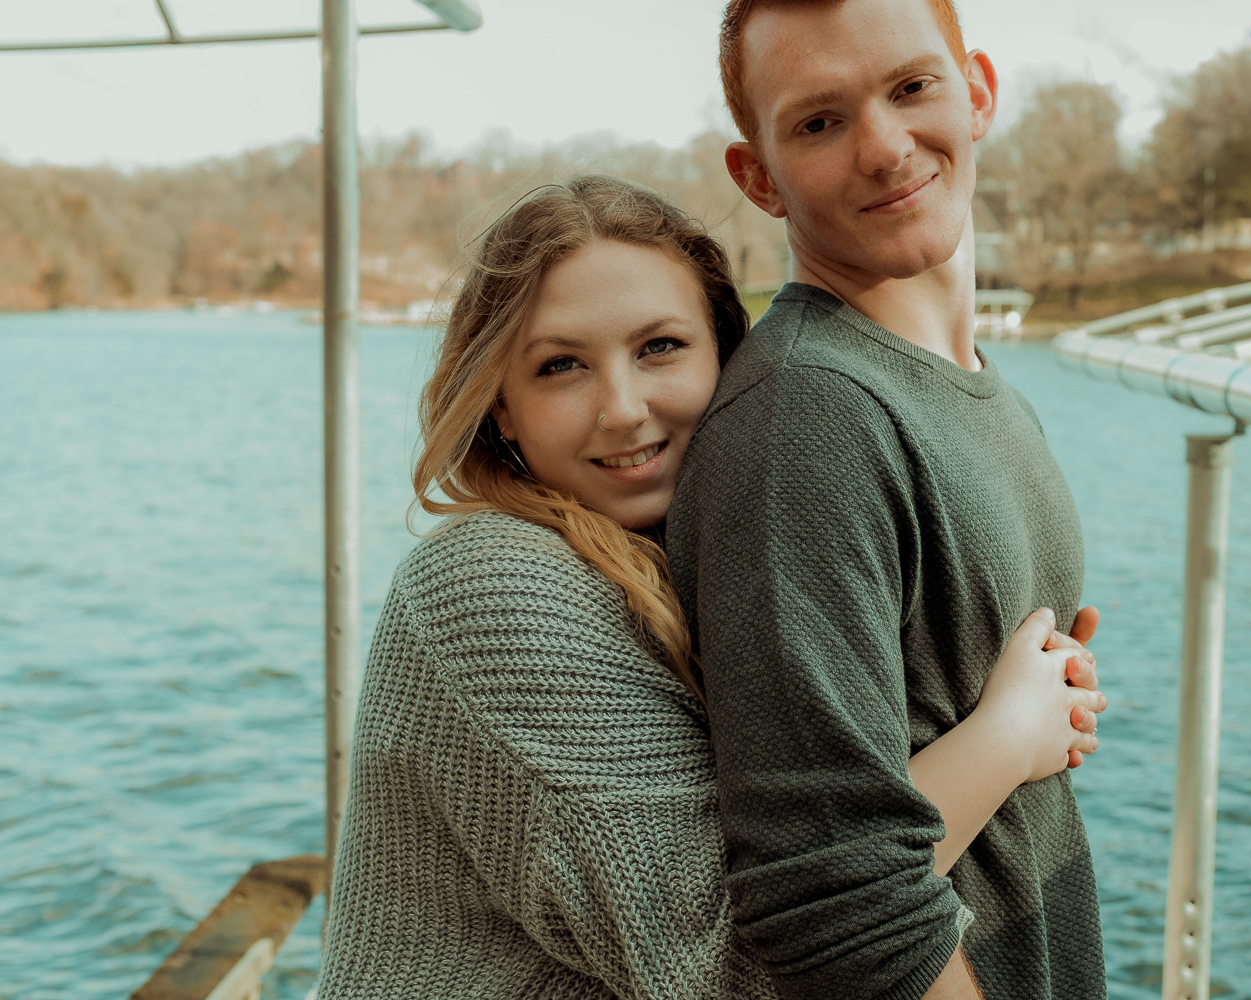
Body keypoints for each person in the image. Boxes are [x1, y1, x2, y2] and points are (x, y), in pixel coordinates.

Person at [316, 174, 1104, 999]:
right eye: (560, 366)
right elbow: (741, 964)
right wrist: (1008, 735)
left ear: (729, 357)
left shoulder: (698, 554)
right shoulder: (488, 587)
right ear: (502, 407)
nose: (622, 409)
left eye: (659, 347)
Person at [664, 1, 1109, 998]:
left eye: (913, 87)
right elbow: (833, 904)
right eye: (819, 122)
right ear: (758, 178)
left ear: (978, 92)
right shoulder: (805, 418)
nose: (884, 146)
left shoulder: (970, 387)